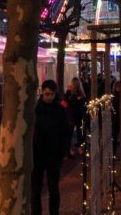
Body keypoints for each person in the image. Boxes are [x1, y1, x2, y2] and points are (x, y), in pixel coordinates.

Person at [32, 80, 69, 215]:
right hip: (38, 154)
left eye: (51, 94)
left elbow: (65, 133)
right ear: (42, 93)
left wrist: (61, 153)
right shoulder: (36, 109)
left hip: (53, 155)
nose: (48, 97)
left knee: (53, 188)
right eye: (46, 94)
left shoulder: (60, 111)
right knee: (36, 188)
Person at [63, 77, 86, 154]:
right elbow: (65, 102)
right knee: (73, 133)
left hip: (76, 115)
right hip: (73, 115)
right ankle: (72, 149)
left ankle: (75, 148)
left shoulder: (80, 93)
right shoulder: (71, 92)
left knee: (76, 133)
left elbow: (82, 102)